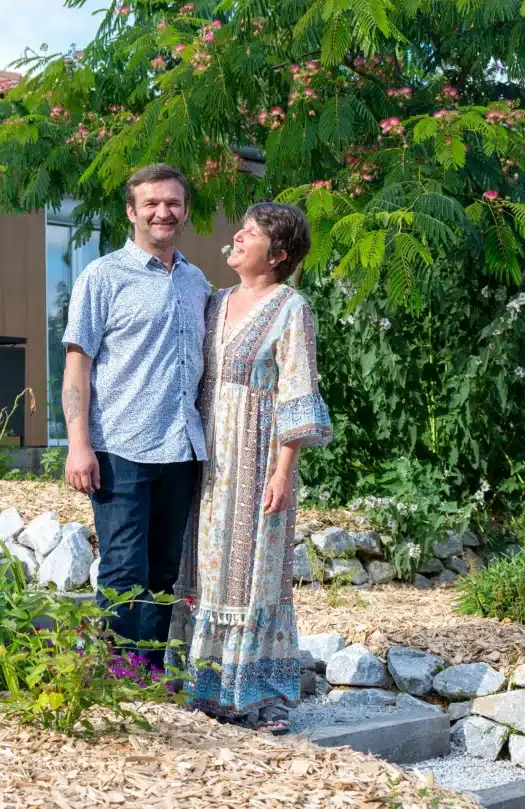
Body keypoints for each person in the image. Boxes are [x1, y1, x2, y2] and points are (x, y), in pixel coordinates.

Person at [181, 202, 332, 734]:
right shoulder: (215, 302)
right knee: (204, 565)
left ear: (279, 254)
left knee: (252, 571)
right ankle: (204, 686)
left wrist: (282, 471)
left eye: (251, 233)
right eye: (240, 229)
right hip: (206, 455)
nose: (237, 238)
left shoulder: (291, 308)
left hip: (258, 457)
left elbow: (297, 390)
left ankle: (253, 693)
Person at [61, 163, 211, 667]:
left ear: (185, 211)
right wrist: (77, 444)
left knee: (164, 572)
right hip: (120, 446)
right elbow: (77, 367)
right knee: (124, 571)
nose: (162, 212)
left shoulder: (196, 282)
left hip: (182, 448)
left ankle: (148, 674)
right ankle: (123, 681)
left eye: (172, 203)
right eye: (151, 203)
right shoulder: (102, 277)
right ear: (131, 211)